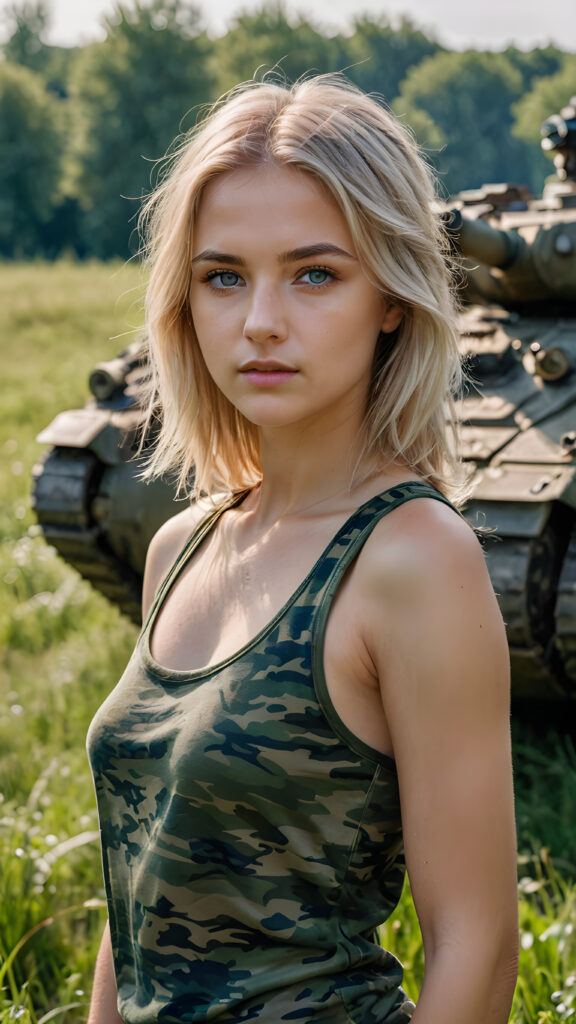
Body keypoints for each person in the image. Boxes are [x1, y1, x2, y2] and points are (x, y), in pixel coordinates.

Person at [86, 75, 518, 1024]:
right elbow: (142, 886)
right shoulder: (180, 547)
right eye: (223, 276)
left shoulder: (411, 558)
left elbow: (477, 948)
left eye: (314, 273)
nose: (260, 322)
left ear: (393, 299)